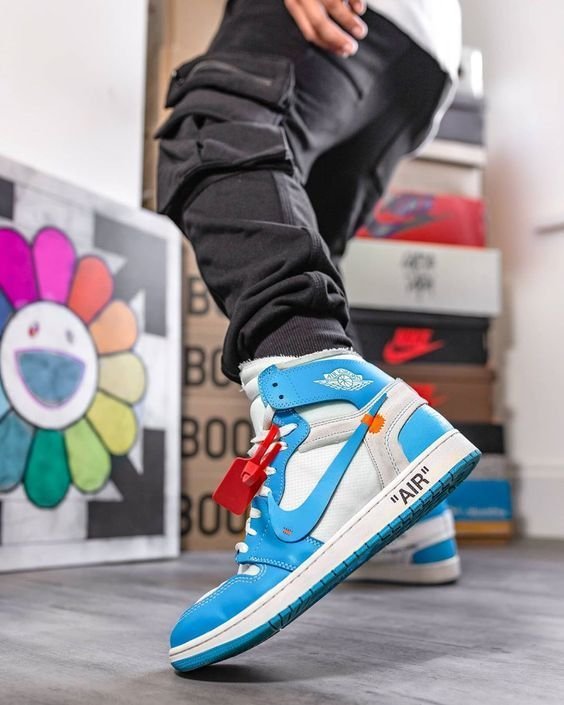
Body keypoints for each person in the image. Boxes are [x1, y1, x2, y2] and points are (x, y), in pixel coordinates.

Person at [157, 0, 479, 672]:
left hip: (356, 17)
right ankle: (403, 520)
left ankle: (325, 416)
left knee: (212, 126)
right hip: (422, 62)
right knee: (300, 241)